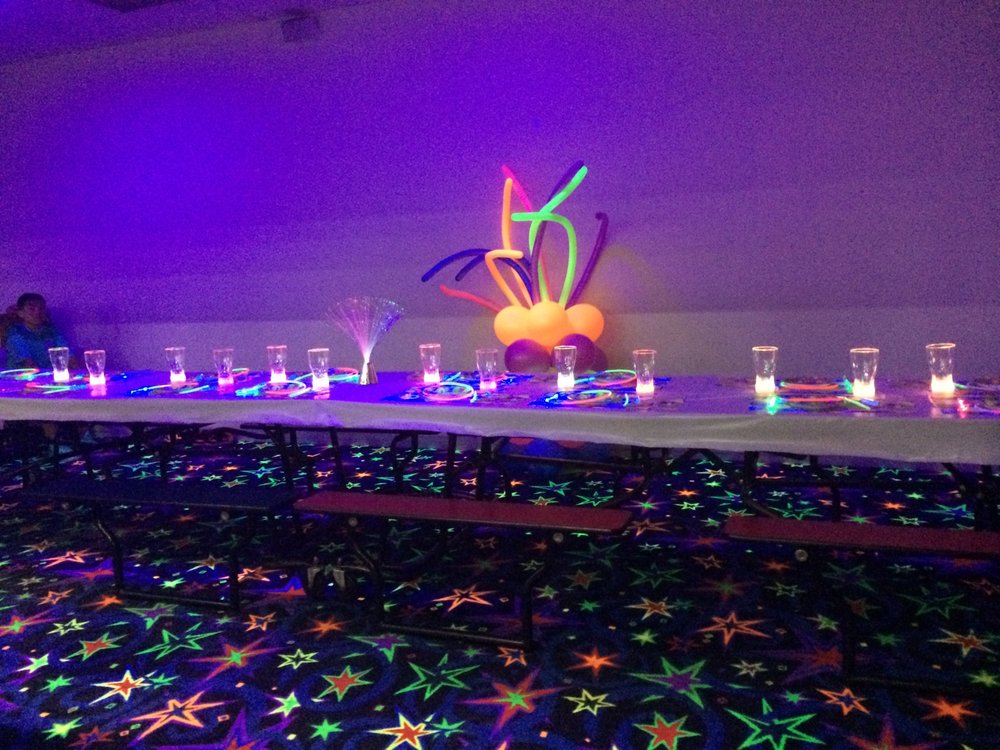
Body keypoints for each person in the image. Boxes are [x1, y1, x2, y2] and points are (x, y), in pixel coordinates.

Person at [5, 293, 73, 369]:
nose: (37, 312)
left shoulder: (52, 331)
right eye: (31, 309)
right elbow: (28, 364)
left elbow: (68, 355)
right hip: (23, 375)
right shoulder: (15, 334)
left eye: (41, 308)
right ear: (21, 313)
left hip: (50, 373)